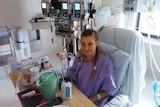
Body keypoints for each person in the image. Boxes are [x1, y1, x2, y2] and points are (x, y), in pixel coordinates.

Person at [67, 29, 116, 107]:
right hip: (77, 95)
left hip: (93, 101)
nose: (86, 48)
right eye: (83, 44)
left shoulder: (104, 64)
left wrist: (90, 100)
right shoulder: (80, 58)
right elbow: (73, 74)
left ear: (97, 43)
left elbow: (108, 90)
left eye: (90, 44)